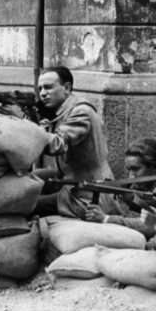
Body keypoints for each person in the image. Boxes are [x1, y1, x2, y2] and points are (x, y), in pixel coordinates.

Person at [33, 66, 114, 217]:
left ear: (67, 87)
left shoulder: (80, 112)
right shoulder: (62, 110)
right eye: (40, 89)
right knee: (33, 177)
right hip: (72, 179)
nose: (43, 93)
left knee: (30, 204)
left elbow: (56, 145)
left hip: (89, 191)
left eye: (48, 87)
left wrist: (28, 129)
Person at [83, 138, 156, 240]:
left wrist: (106, 218)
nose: (131, 176)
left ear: (155, 167)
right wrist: (132, 199)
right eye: (129, 169)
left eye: (135, 169)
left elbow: (152, 226)